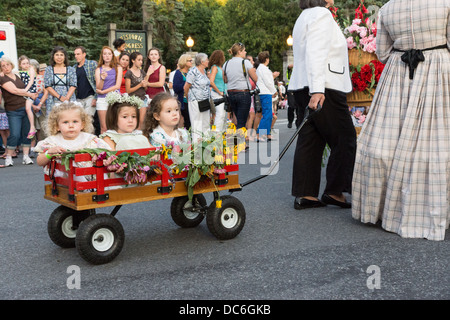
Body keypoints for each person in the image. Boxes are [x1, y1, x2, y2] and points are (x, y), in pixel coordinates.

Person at [352, 0, 450, 241]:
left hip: (398, 74)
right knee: (437, 140)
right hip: (437, 71)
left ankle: (387, 208)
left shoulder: (388, 8)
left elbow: (383, 53)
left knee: (390, 139)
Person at [290, 0, 356, 210]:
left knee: (310, 138)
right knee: (345, 137)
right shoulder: (322, 14)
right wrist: (318, 89)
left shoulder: (304, 16)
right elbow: (316, 52)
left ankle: (306, 193)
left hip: (303, 84)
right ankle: (335, 191)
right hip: (324, 85)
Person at [34, 102, 111, 181]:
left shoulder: (89, 139)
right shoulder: (53, 141)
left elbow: (107, 152)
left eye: (75, 121)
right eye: (65, 122)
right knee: (77, 173)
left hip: (92, 175)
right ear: (57, 126)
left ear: (82, 125)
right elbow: (39, 161)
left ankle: (107, 188)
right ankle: (86, 188)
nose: (71, 125)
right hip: (67, 176)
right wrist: (49, 153)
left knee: (104, 174)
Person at [0, 57, 39, 166]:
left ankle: (26, 157)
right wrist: (30, 94)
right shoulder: (2, 78)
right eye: (3, 66)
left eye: (7, 65)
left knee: (27, 133)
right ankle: (9, 157)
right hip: (13, 110)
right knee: (15, 134)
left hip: (25, 107)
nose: (6, 67)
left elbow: (31, 76)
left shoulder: (18, 75)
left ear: (11, 65)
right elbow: (15, 91)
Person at [222, 42, 258, 129]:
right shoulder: (245, 62)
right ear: (239, 52)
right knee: (242, 121)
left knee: (237, 117)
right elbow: (255, 78)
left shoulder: (226, 63)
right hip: (243, 93)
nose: (245, 52)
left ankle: (237, 140)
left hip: (231, 93)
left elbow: (225, 80)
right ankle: (240, 141)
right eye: (244, 51)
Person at [184, 53, 211, 142]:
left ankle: (206, 143)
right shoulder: (193, 72)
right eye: (207, 59)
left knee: (206, 122)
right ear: (202, 61)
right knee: (197, 123)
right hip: (195, 100)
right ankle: (197, 145)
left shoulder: (204, 72)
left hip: (205, 100)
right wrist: (189, 98)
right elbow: (186, 87)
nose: (208, 61)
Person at [95, 46, 123, 133]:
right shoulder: (98, 69)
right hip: (102, 100)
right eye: (105, 54)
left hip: (114, 98)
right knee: (104, 127)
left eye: (109, 54)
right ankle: (104, 146)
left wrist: (103, 91)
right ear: (102, 56)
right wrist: (102, 78)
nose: (107, 56)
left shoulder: (118, 68)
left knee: (115, 125)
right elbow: (98, 88)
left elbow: (117, 86)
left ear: (112, 55)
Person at [255, 51, 277, 142]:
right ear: (266, 59)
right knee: (267, 114)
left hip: (264, 92)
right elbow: (268, 82)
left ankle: (267, 133)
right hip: (265, 92)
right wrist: (274, 91)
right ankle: (260, 133)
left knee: (268, 115)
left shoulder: (260, 68)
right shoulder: (264, 69)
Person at [125, 52, 148, 130]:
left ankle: (142, 138)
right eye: (139, 60)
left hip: (142, 99)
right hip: (133, 100)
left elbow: (145, 89)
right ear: (133, 60)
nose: (141, 62)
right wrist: (140, 85)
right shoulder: (129, 73)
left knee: (142, 121)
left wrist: (145, 86)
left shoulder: (142, 72)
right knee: (135, 121)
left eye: (141, 60)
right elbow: (128, 90)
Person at [17, 55, 38, 140]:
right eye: (23, 63)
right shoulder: (19, 72)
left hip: (30, 91)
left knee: (28, 108)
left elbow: (31, 81)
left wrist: (25, 90)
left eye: (27, 63)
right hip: (23, 93)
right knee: (24, 110)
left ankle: (32, 127)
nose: (26, 65)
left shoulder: (31, 69)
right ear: (20, 65)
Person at [73, 46, 97, 117]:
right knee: (79, 119)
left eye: (78, 54)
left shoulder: (92, 64)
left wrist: (96, 98)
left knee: (88, 119)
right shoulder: (74, 68)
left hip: (90, 97)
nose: (76, 56)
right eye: (75, 54)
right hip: (78, 98)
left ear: (84, 54)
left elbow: (97, 82)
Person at [208, 50, 227, 132]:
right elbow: (211, 81)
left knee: (222, 115)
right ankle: (216, 134)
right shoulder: (215, 68)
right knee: (219, 114)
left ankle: (220, 132)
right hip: (217, 93)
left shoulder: (221, 68)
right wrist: (219, 92)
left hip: (223, 93)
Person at [172, 54, 193, 130]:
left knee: (191, 121)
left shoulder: (191, 72)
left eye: (191, 60)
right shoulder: (178, 73)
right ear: (184, 61)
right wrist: (187, 84)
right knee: (187, 121)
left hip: (191, 100)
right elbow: (176, 88)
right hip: (183, 101)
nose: (191, 62)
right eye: (189, 61)